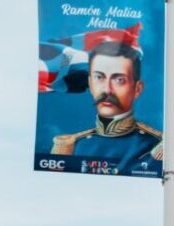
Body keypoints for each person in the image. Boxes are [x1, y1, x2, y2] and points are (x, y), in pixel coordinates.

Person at [50, 30, 162, 176]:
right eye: (99, 77)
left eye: (119, 79)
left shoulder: (157, 145)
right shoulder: (71, 146)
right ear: (90, 83)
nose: (107, 90)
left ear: (137, 89)